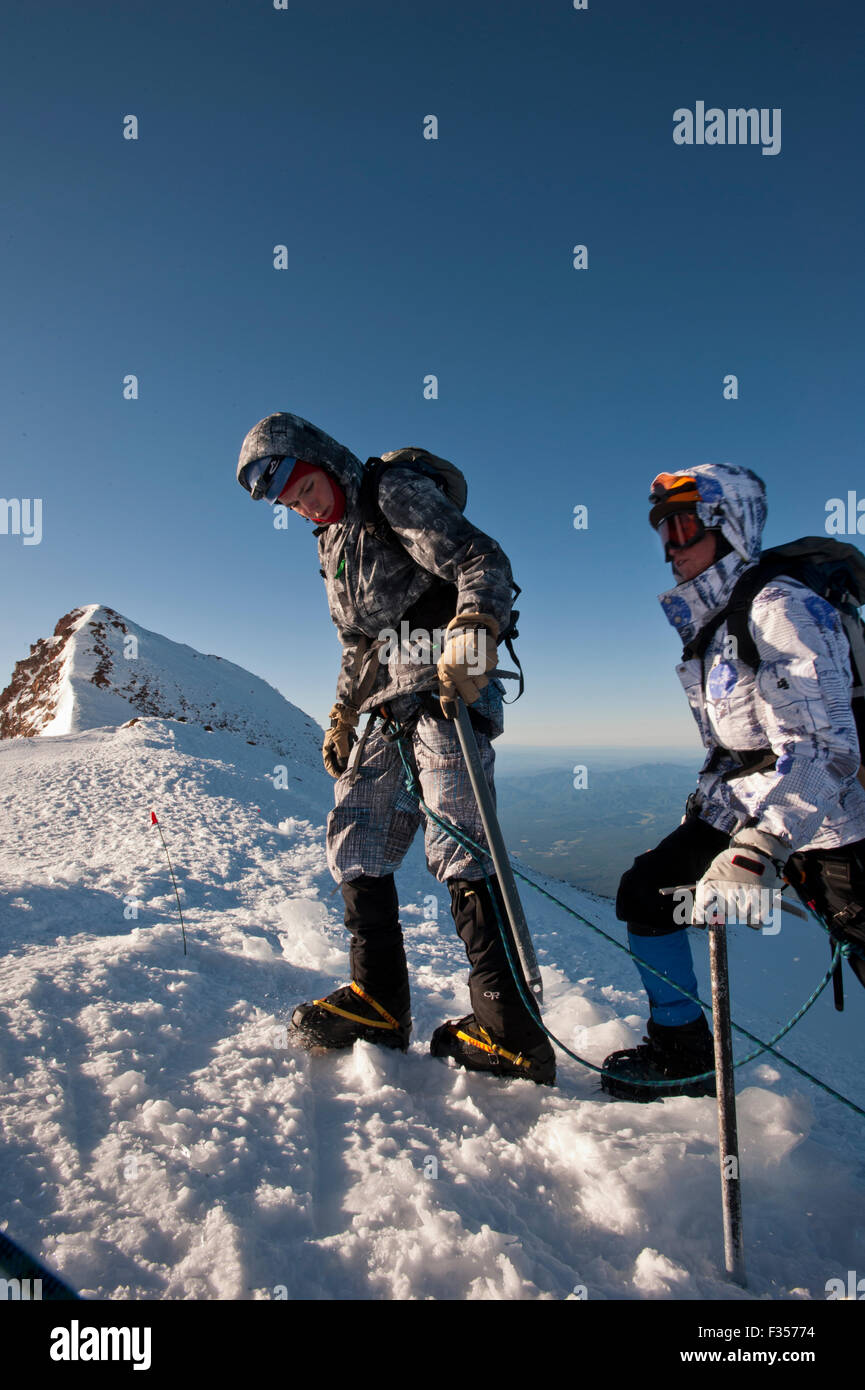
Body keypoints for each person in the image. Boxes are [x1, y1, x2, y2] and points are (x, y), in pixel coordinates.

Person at [236, 412, 554, 1084]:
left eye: (300, 484)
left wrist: (475, 627)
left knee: (458, 839)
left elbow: (479, 557)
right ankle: (378, 1000)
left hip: (444, 683)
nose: (300, 504)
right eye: (287, 500)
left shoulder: (391, 493)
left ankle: (511, 1032)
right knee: (355, 838)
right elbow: (357, 643)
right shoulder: (331, 544)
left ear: (318, 456)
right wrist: (341, 712)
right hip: (385, 700)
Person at [601, 462, 865, 1102]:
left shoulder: (780, 608)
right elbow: (734, 754)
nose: (670, 544)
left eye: (686, 525)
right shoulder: (713, 629)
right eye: (663, 529)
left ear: (730, 526)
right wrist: (707, 820)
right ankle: (684, 1055)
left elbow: (826, 747)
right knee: (647, 892)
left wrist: (759, 845)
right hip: (755, 817)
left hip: (835, 828)